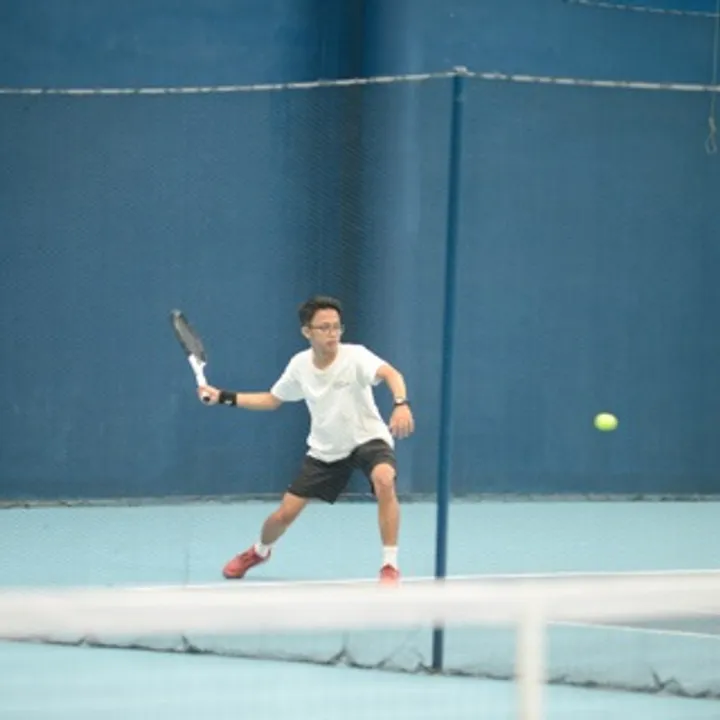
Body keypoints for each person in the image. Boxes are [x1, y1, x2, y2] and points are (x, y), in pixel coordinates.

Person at [198, 295, 415, 583]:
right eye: (324, 327)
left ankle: (389, 565)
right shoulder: (299, 365)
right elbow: (272, 399)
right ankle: (259, 551)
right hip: (326, 450)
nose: (332, 333)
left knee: (384, 479)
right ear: (307, 332)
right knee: (283, 516)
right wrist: (223, 398)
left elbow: (391, 374)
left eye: (336, 327)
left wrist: (401, 403)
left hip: (368, 438)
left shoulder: (356, 356)